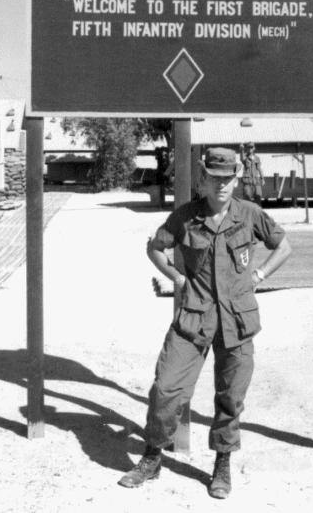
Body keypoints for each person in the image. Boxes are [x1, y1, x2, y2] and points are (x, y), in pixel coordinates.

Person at [118, 148, 291, 498]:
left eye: (227, 178)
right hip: (194, 316)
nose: (221, 185)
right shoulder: (185, 216)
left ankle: (222, 463)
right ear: (203, 179)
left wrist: (258, 274)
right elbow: (155, 248)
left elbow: (283, 246)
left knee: (230, 397)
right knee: (166, 388)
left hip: (237, 320)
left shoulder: (251, 215)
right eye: (214, 178)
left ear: (237, 178)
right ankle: (152, 458)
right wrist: (176, 277)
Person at [240, 142, 265, 206]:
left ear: (254, 148)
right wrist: (241, 150)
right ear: (246, 149)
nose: (250, 149)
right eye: (248, 147)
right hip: (247, 182)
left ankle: (258, 214)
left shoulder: (257, 158)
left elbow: (259, 168)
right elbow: (242, 159)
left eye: (251, 147)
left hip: (256, 182)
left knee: (258, 197)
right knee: (247, 198)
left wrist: (262, 178)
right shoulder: (245, 157)